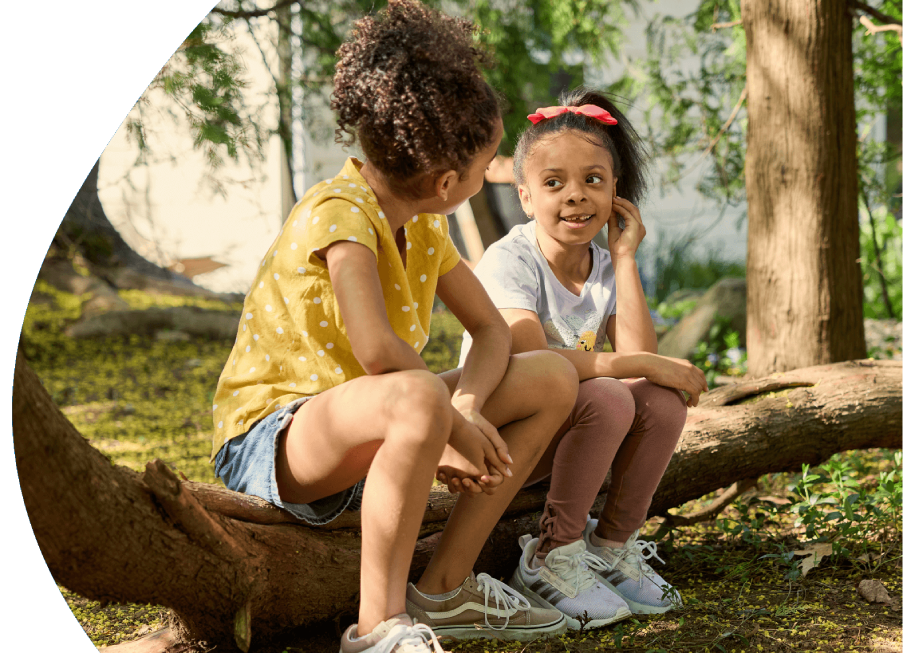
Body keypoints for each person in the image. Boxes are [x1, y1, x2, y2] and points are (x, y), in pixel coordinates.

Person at [209, 2, 579, 651]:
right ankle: (377, 628)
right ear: (443, 180)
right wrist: (448, 424)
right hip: (277, 440)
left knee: (548, 374)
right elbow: (376, 349)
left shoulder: (426, 225)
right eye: (485, 164)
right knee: (414, 393)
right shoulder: (339, 212)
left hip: (379, 423)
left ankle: (444, 586)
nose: (490, 172)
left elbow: (491, 332)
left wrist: (463, 407)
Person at [458, 88, 709, 630]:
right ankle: (552, 555)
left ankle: (611, 545)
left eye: (593, 180)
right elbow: (530, 359)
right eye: (554, 184)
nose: (576, 196)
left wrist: (624, 259)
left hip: (573, 432)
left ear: (616, 190)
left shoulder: (603, 264)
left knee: (661, 401)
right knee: (608, 391)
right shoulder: (511, 259)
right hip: (504, 438)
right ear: (525, 196)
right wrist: (634, 368)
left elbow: (643, 361)